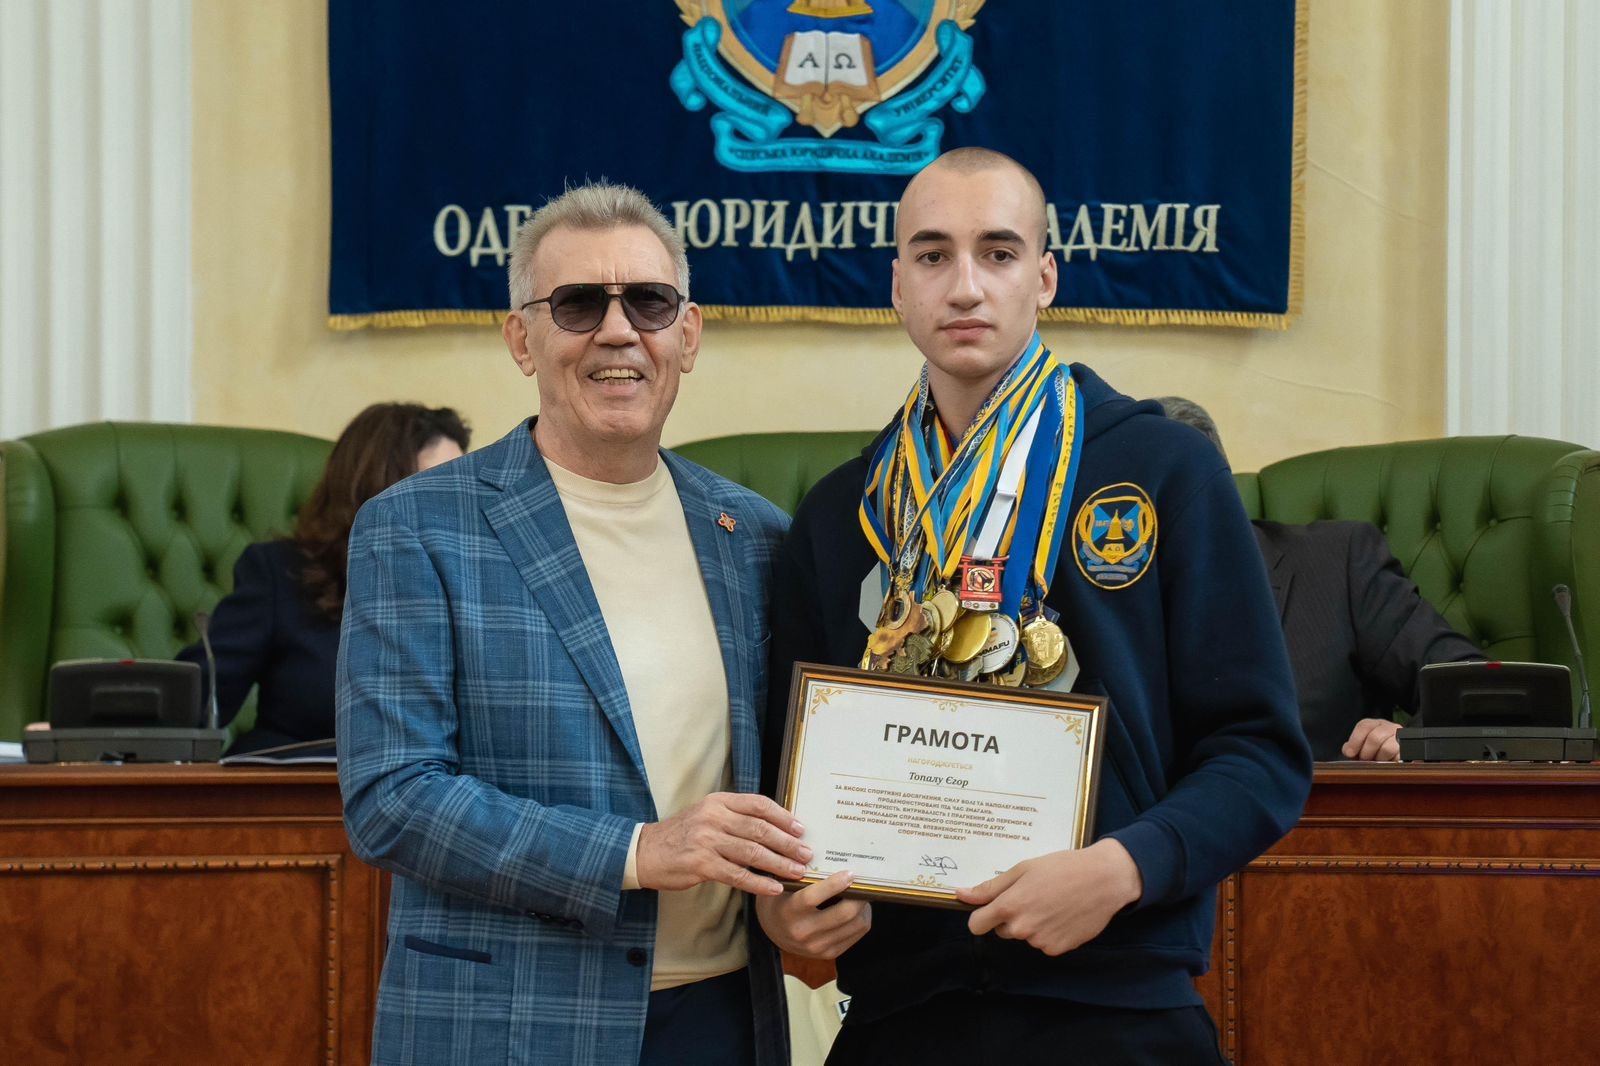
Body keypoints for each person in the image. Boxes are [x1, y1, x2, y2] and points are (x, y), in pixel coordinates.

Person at [759, 148, 1313, 1064]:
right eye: (932, 255)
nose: (965, 286)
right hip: (903, 1014)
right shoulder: (838, 515)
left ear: (1045, 277)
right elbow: (786, 779)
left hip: (1119, 1009)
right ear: (896, 285)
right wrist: (784, 904)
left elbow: (1260, 753)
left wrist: (1123, 868)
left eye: (999, 252)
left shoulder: (1163, 471)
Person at [337, 182, 802, 1066]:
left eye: (649, 303)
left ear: (688, 334)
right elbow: (391, 798)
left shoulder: (755, 536)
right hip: (511, 1027)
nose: (619, 332)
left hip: (723, 1019)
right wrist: (636, 852)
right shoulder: (415, 527)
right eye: (580, 304)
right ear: (523, 338)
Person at [1155, 396, 1485, 762]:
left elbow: (1474, 689)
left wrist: (1411, 743)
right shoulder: (1108, 596)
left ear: (1215, 489)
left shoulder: (1337, 565)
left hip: (1322, 796)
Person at [175, 402, 467, 754]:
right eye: (435, 489)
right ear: (377, 487)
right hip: (301, 780)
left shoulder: (473, 582)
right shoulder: (281, 574)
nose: (455, 507)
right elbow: (187, 707)